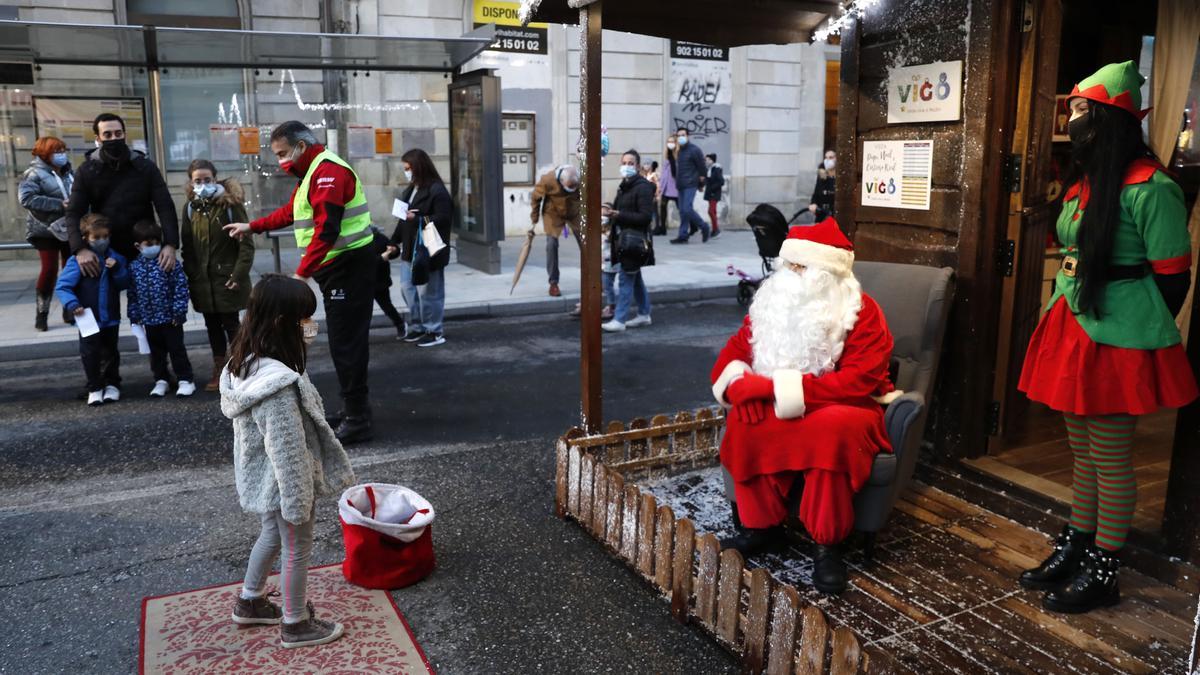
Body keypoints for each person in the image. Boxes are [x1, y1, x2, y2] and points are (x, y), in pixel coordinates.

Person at [1016, 61, 1198, 614]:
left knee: (1111, 457)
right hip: (1071, 325)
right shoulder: (1088, 179)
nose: (1072, 119)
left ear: (1108, 119)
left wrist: (1137, 331)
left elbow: (1174, 279)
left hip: (1118, 337)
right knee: (1083, 453)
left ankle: (1105, 566)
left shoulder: (1154, 188)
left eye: (1079, 110)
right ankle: (1078, 542)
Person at [712, 219, 896, 595]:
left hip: (846, 402)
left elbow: (858, 381)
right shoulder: (770, 304)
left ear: (829, 274)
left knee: (831, 430)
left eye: (802, 267)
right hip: (786, 398)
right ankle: (762, 528)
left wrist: (771, 389)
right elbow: (734, 351)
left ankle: (827, 545)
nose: (791, 274)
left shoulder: (861, 312)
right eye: (789, 265)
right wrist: (738, 384)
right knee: (747, 421)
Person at [220, 274, 355, 649]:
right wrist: (298, 500)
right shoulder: (277, 384)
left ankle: (250, 601)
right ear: (282, 322)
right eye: (304, 319)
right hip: (284, 482)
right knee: (297, 545)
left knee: (271, 534)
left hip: (264, 477)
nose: (310, 326)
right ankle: (295, 623)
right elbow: (287, 449)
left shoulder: (245, 361)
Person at [224, 121, 377, 444]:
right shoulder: (313, 174)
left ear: (301, 147)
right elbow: (292, 212)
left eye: (282, 153)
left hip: (348, 268)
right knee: (343, 341)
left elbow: (327, 230)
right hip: (337, 267)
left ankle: (358, 417)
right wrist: (252, 226)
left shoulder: (328, 174)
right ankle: (353, 409)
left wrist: (302, 273)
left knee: (346, 343)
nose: (281, 161)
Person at [64, 113, 178, 276]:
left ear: (125, 134)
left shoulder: (145, 167)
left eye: (118, 133)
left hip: (144, 245)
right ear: (98, 138)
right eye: (107, 134)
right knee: (104, 299)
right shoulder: (87, 171)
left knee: (151, 298)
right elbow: (74, 212)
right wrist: (79, 249)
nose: (114, 138)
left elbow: (165, 207)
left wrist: (170, 244)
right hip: (103, 246)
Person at [180, 159, 253, 392]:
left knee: (232, 324)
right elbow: (188, 247)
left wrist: (238, 275)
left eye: (207, 179)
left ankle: (241, 367)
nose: (203, 184)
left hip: (227, 277)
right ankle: (220, 368)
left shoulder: (230, 205)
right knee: (211, 325)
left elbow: (246, 245)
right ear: (191, 182)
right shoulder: (191, 207)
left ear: (215, 178)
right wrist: (192, 274)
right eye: (197, 180)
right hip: (203, 280)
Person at [55, 214, 130, 407]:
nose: (102, 241)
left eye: (105, 236)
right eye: (96, 238)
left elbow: (124, 283)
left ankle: (113, 384)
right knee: (90, 353)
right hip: (87, 316)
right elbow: (63, 286)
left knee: (111, 351)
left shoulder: (115, 258)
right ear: (86, 238)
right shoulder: (79, 261)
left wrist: (118, 269)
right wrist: (72, 304)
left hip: (111, 316)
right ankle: (95, 387)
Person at [386, 148, 452, 348]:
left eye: (408, 168)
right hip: (410, 249)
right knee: (408, 289)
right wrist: (394, 241)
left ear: (419, 167)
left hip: (428, 250)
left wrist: (420, 218)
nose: (406, 171)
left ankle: (434, 330)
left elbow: (444, 218)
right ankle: (417, 326)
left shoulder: (437, 190)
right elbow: (402, 219)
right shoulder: (411, 189)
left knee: (428, 292)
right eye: (405, 168)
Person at [128, 220, 195, 398]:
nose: (154, 247)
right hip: (149, 319)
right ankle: (161, 380)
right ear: (138, 246)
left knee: (176, 350)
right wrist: (134, 316)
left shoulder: (168, 262)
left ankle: (185, 379)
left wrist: (179, 311)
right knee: (156, 354)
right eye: (149, 244)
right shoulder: (135, 267)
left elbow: (180, 287)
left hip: (170, 318)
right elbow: (132, 293)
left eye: (158, 243)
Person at [20, 136, 74, 331]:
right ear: (45, 153)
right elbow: (27, 199)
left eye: (63, 150)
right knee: (49, 269)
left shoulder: (68, 172)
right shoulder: (33, 173)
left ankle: (70, 309)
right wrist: (60, 205)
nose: (61, 154)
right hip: (44, 228)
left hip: (69, 227)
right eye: (56, 151)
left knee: (71, 269)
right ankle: (42, 314)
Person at [601, 150, 656, 333]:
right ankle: (644, 314)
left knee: (626, 279)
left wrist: (619, 214)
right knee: (635, 278)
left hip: (634, 241)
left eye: (631, 163)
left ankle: (620, 319)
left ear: (638, 166)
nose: (626, 166)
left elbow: (645, 217)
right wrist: (609, 211)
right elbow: (619, 208)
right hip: (623, 239)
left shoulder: (643, 187)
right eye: (624, 162)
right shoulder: (625, 185)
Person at [530, 164, 581, 297]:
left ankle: (594, 279)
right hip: (553, 212)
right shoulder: (547, 180)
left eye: (573, 187)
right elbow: (536, 198)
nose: (572, 189)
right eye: (569, 187)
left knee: (586, 242)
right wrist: (534, 217)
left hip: (574, 211)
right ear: (561, 181)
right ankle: (553, 283)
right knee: (551, 244)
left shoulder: (581, 179)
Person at [668, 127, 710, 244]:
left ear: (688, 136)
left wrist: (702, 183)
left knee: (687, 209)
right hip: (680, 184)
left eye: (683, 135)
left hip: (691, 183)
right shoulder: (678, 150)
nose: (680, 137)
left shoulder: (694, 150)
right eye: (678, 135)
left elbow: (702, 167)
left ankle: (704, 226)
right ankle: (683, 235)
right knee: (682, 211)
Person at [371, 226, 406, 339]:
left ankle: (400, 325)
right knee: (362, 311)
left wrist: (394, 250)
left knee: (386, 306)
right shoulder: (356, 241)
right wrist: (381, 258)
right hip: (362, 282)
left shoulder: (378, 237)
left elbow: (392, 248)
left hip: (380, 280)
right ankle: (359, 335)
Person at [656, 137, 678, 237]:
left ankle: (693, 225)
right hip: (667, 187)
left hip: (676, 187)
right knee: (663, 207)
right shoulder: (667, 157)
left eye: (672, 142)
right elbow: (664, 174)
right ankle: (662, 228)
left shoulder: (679, 156)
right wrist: (660, 187)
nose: (670, 143)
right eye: (669, 142)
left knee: (683, 208)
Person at [808, 150, 837, 221]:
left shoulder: (839, 177)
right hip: (822, 216)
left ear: (836, 159)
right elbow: (816, 193)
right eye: (826, 158)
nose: (828, 160)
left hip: (835, 216)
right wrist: (813, 204)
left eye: (831, 157)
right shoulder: (821, 176)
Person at [702, 153, 724, 238]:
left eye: (707, 160)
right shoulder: (710, 169)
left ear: (711, 160)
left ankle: (716, 230)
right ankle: (715, 229)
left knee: (710, 211)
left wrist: (712, 189)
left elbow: (721, 181)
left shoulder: (716, 169)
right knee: (713, 211)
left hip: (714, 194)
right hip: (710, 193)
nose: (706, 161)